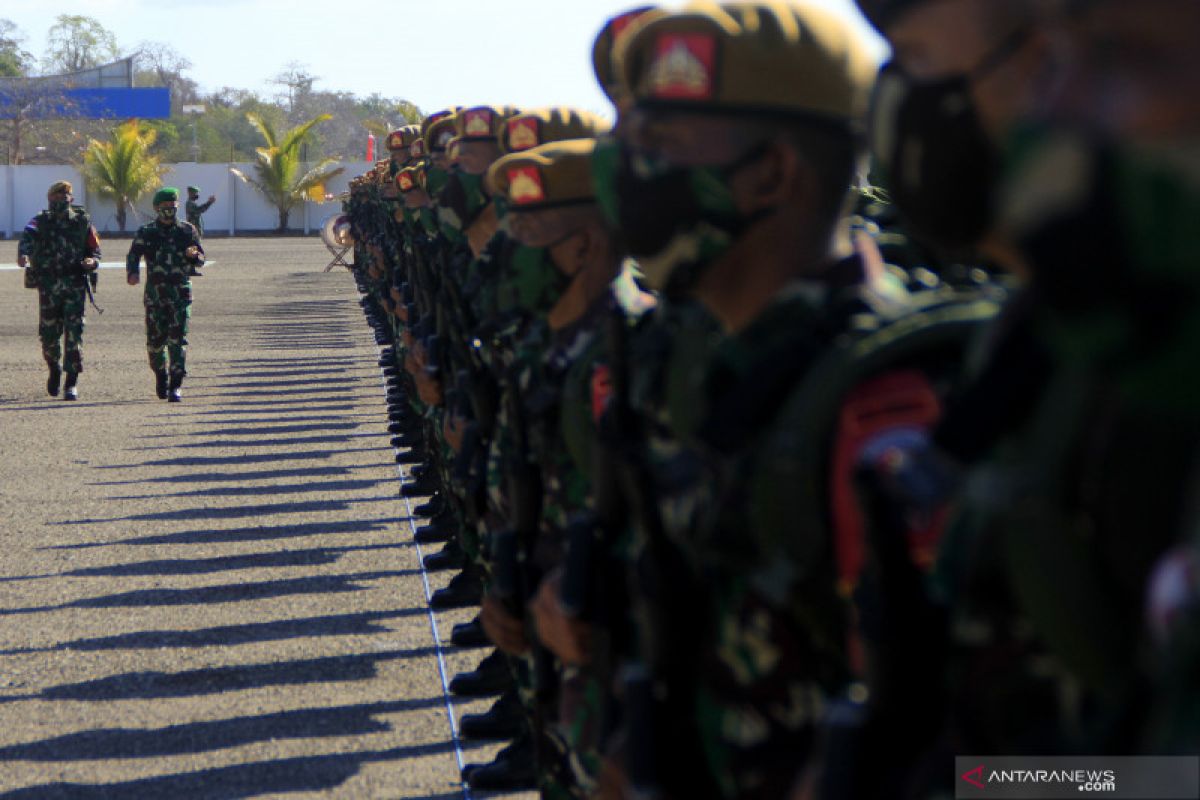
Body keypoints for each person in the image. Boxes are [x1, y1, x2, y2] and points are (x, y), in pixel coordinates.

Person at [17, 180, 101, 401]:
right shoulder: (40, 221)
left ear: (71, 199)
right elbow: (27, 236)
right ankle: (54, 367)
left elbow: (94, 249)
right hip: (49, 287)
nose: (61, 200)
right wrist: (23, 253)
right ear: (49, 199)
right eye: (56, 197)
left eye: (65, 197)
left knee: (75, 334)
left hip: (74, 285)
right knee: (49, 336)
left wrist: (92, 261)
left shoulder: (83, 222)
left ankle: (71, 382)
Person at [126, 187, 205, 403]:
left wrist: (194, 255)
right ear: (156, 208)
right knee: (155, 342)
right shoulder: (147, 232)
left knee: (177, 340)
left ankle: (176, 384)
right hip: (155, 295)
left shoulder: (187, 231)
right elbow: (134, 254)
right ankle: (160, 374)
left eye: (173, 206)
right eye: (165, 207)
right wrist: (132, 273)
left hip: (180, 292)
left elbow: (200, 259)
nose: (169, 210)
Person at [184, 186, 215, 277]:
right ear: (190, 193)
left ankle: (191, 269)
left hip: (194, 230)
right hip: (192, 230)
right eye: (195, 193)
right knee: (193, 249)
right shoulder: (190, 204)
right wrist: (209, 202)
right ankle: (190, 269)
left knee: (194, 249)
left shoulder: (192, 203)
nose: (197, 195)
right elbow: (200, 210)